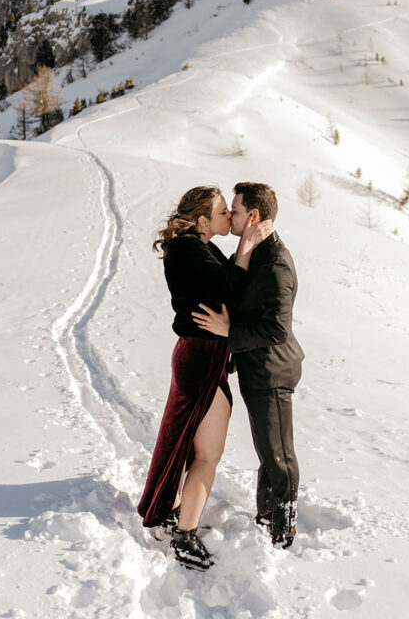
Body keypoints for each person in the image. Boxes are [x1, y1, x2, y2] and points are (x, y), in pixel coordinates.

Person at [137, 185, 271, 570]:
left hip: (203, 355)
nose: (229, 216)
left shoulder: (197, 248)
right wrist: (246, 248)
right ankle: (184, 535)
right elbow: (229, 287)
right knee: (207, 454)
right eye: (222, 212)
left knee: (194, 448)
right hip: (200, 356)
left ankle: (175, 513)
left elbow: (222, 283)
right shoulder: (189, 249)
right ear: (202, 220)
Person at [193, 182, 303, 549]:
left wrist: (229, 331)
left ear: (253, 215)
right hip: (257, 367)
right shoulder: (256, 251)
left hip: (272, 370)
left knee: (278, 452)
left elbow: (275, 328)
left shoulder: (275, 264)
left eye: (235, 210)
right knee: (266, 448)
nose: (230, 216)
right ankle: (266, 515)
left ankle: (284, 529)